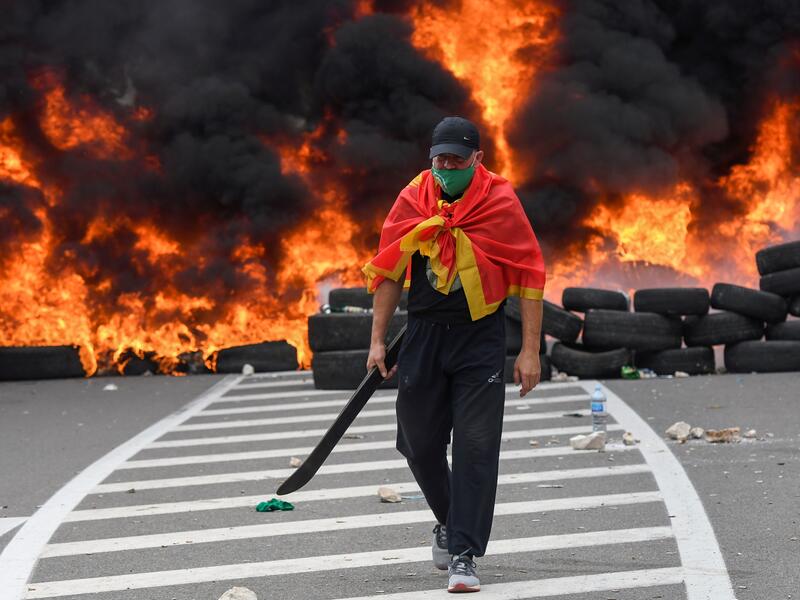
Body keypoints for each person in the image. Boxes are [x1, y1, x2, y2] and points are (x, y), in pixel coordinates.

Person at [362, 116, 546, 593]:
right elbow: (388, 270)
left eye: (456, 160)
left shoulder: (499, 201)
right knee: (417, 443)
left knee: (477, 448)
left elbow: (528, 275)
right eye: (439, 159)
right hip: (423, 335)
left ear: (477, 160)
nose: (446, 167)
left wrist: (529, 351)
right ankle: (449, 519)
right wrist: (377, 340)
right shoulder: (414, 197)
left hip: (479, 339)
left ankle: (463, 554)